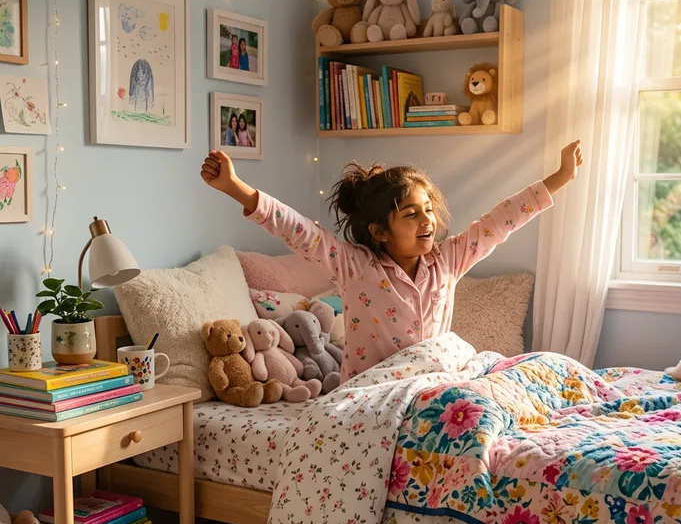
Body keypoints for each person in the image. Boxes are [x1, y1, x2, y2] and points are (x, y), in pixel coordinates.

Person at [200, 142, 583, 381]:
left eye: (429, 210)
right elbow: (297, 230)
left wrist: (560, 177)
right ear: (380, 231)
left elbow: (500, 222)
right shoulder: (356, 267)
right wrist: (235, 187)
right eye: (411, 214)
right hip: (377, 392)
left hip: (433, 385)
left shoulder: (447, 261)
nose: (428, 221)